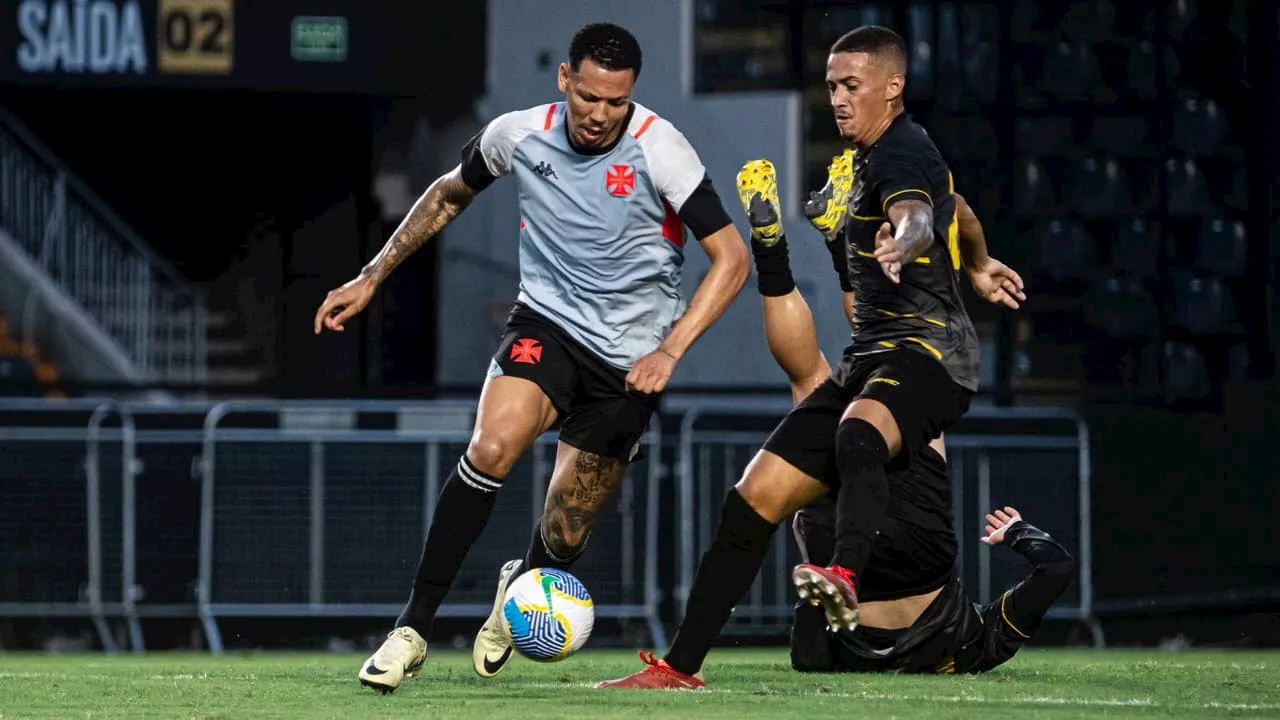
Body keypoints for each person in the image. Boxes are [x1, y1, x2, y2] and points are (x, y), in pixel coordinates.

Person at [313, 22, 748, 693]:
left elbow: (733, 257)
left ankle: (518, 590)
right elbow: (447, 192)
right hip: (546, 323)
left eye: (617, 101)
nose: (602, 115)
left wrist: (671, 349)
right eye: (590, 98)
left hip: (630, 361)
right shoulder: (518, 134)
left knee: (564, 533)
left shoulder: (661, 149)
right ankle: (412, 628)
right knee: (490, 448)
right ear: (564, 79)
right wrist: (371, 275)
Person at [598, 24, 1019, 689]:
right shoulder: (885, 161)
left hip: (934, 359)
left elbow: (916, 213)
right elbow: (954, 205)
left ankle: (844, 574)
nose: (839, 100)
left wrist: (912, 243)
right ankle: (679, 668)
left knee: (853, 427)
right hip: (877, 364)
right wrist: (981, 258)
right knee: (753, 497)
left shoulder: (900, 155)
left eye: (852, 86)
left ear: (892, 87)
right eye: (831, 86)